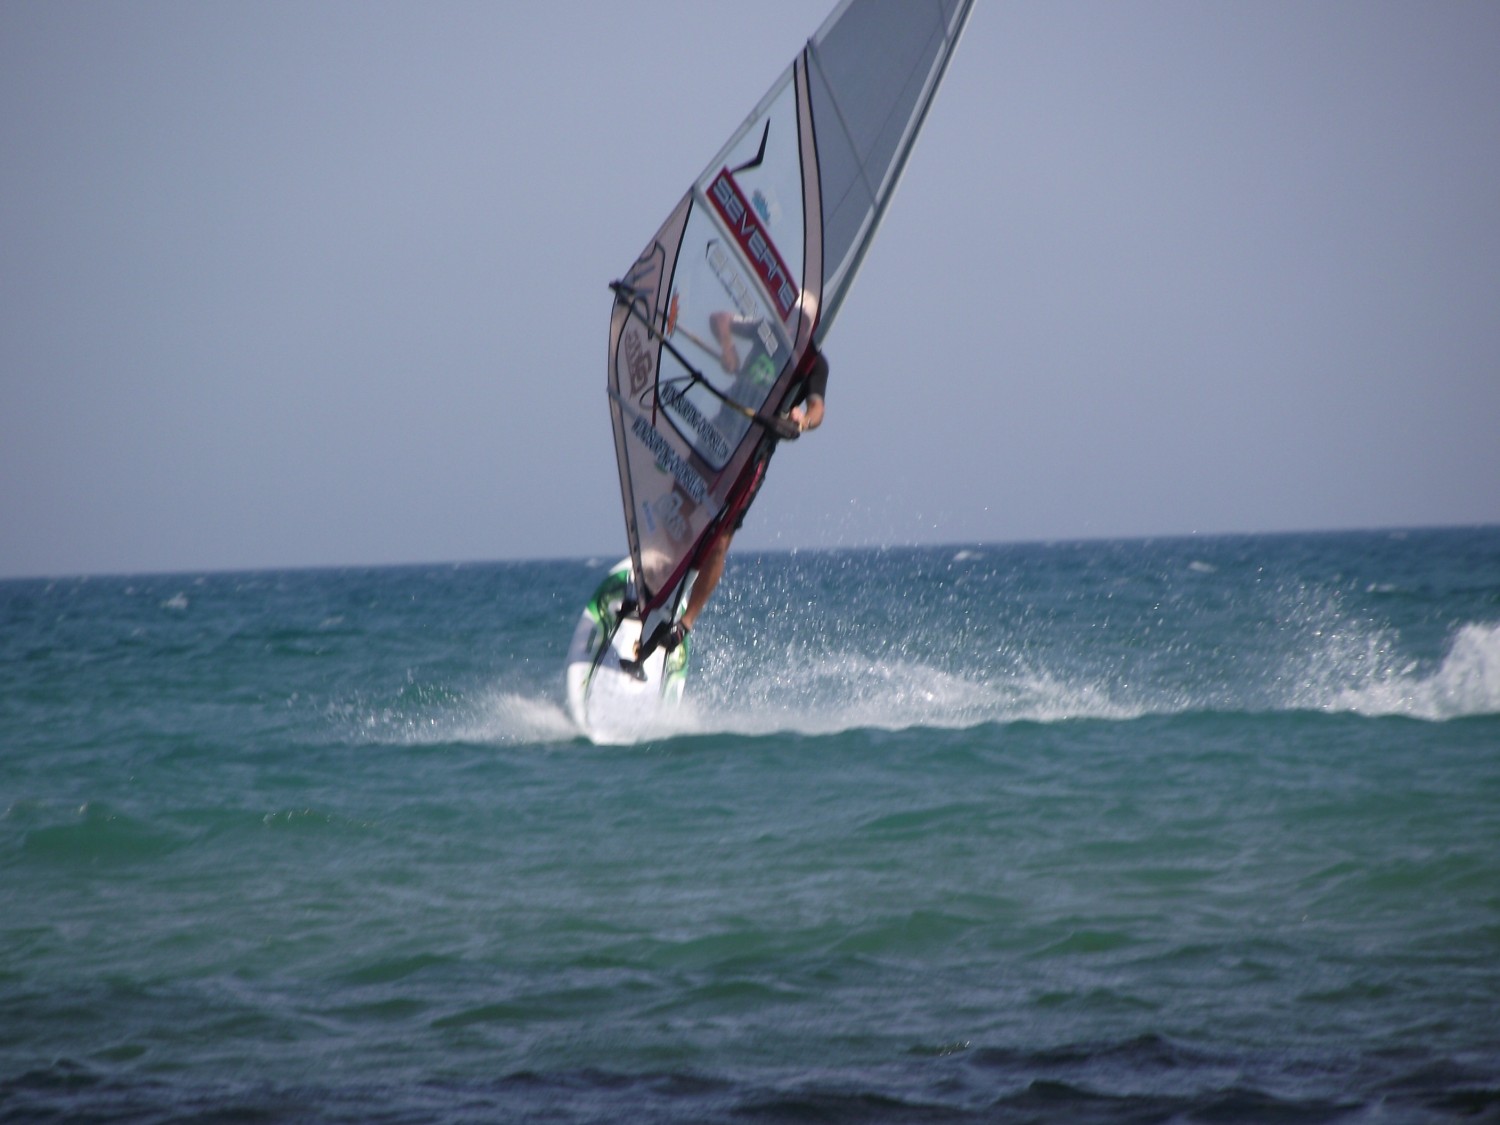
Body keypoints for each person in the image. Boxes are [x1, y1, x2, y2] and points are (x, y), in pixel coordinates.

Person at [653, 310, 828, 654]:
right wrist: (728, 346)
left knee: (720, 540)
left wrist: (802, 420)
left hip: (752, 456)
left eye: (802, 324)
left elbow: (818, 410)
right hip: (719, 434)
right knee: (677, 505)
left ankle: (684, 625)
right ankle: (655, 583)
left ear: (812, 328)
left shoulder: (815, 364)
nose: (793, 327)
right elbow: (718, 317)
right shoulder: (766, 332)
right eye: (792, 320)